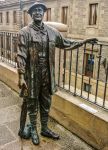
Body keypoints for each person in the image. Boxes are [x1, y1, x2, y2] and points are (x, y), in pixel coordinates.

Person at [17, 0, 97, 145]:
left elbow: (67, 43)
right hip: (32, 74)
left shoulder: (52, 32)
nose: (37, 12)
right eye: (34, 10)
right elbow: (21, 55)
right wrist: (21, 76)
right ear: (30, 14)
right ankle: (34, 130)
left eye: (40, 10)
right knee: (32, 103)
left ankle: (45, 128)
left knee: (46, 102)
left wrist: (84, 41)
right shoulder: (24, 32)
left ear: (43, 13)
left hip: (48, 73)